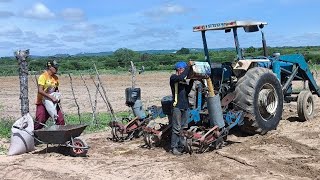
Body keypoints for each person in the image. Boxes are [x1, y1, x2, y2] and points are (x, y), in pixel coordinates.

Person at [169, 61, 193, 155]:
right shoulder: (174, 78)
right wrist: (189, 67)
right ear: (179, 69)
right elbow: (181, 76)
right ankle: (174, 148)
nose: (184, 72)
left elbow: (187, 91)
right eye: (183, 69)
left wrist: (192, 80)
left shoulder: (183, 81)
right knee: (176, 128)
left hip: (185, 106)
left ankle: (181, 146)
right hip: (177, 106)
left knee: (183, 128)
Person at [34, 59, 65, 130]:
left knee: (60, 120)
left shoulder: (56, 78)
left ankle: (60, 137)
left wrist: (57, 97)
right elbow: (40, 90)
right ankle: (33, 136)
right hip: (42, 102)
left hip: (52, 102)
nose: (57, 69)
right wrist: (51, 97)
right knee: (40, 120)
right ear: (50, 67)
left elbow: (56, 89)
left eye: (57, 67)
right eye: (55, 67)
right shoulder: (43, 76)